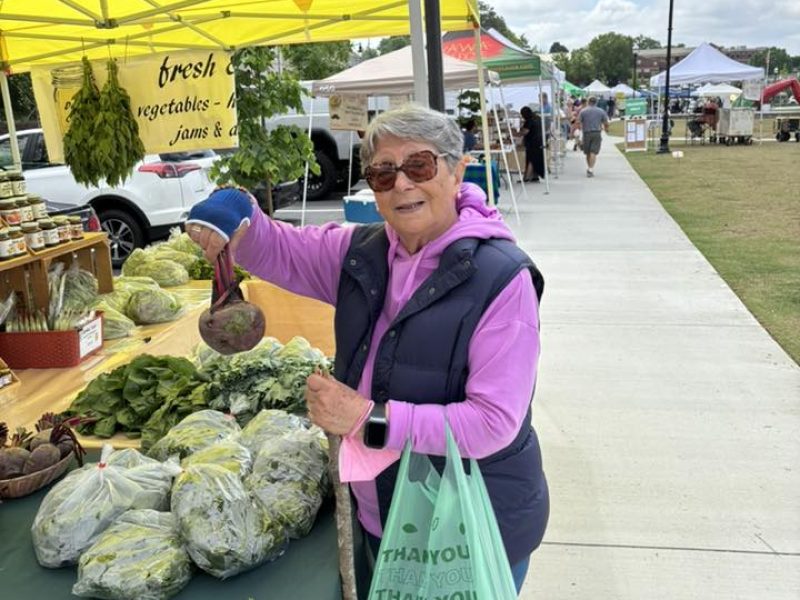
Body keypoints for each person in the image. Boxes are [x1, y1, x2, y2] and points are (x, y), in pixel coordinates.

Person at [185, 104, 549, 596]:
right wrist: (232, 209)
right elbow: (274, 246)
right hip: (385, 512)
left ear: (458, 170)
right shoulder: (360, 252)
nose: (402, 184)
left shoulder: (502, 278)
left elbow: (492, 425)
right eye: (383, 172)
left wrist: (365, 418)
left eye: (419, 166)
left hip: (469, 521)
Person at [578, 96, 609, 178]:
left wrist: (580, 131)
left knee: (587, 152)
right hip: (596, 133)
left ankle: (589, 167)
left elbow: (578, 122)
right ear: (596, 102)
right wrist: (606, 129)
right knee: (593, 152)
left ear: (588, 102)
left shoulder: (583, 111)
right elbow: (606, 122)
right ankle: (590, 168)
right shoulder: (601, 111)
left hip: (586, 133)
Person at [519, 105, 544, 182]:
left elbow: (525, 131)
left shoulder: (529, 120)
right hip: (540, 140)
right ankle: (535, 176)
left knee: (531, 159)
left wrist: (516, 133)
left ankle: (527, 177)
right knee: (537, 159)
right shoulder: (538, 118)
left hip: (532, 142)